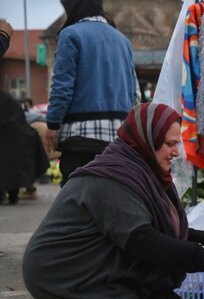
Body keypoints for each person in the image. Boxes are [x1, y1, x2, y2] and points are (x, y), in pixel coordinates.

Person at [22, 103, 204, 299]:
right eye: (170, 144)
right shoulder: (114, 177)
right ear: (147, 139)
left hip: (99, 267)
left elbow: (163, 230)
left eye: (178, 143)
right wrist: (202, 257)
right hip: (63, 273)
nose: (176, 152)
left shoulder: (146, 172)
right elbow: (142, 240)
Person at [45, 0, 139, 186]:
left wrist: (52, 124)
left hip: (80, 137)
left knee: (77, 202)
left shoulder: (70, 35)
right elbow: (134, 94)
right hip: (118, 139)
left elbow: (62, 87)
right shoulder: (123, 40)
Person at [0, 92, 48, 205]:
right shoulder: (9, 98)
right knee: (14, 169)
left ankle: (2, 195)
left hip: (5, 138)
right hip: (18, 137)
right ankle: (13, 195)